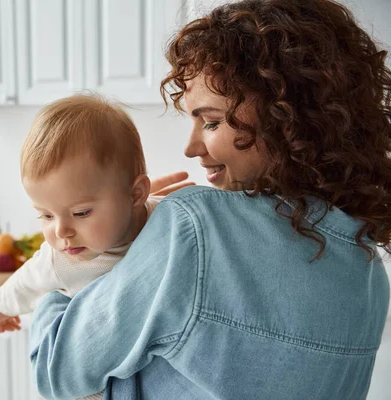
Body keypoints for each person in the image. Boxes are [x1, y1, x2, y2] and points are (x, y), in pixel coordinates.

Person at [28, 0, 391, 399]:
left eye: (212, 121)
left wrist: (59, 281)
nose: (190, 147)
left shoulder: (194, 227)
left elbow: (56, 370)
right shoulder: (369, 271)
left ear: (287, 117)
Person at [0, 94, 172, 400]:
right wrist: (2, 306)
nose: (61, 231)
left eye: (81, 213)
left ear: (137, 193)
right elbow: (24, 282)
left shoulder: (167, 219)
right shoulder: (61, 260)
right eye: (45, 215)